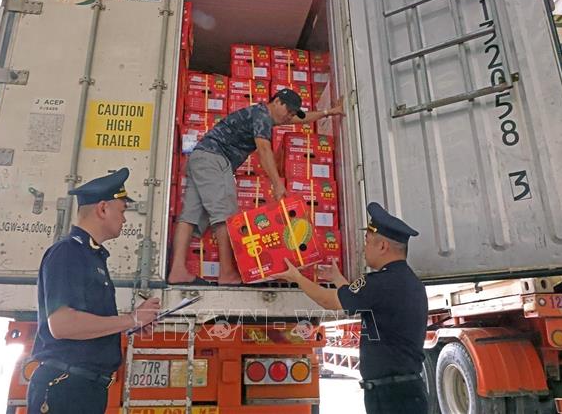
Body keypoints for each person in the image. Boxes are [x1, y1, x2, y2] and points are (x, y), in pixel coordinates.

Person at [168, 88, 344, 285]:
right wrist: (278, 184)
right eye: (289, 111)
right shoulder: (262, 115)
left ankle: (177, 271)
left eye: (293, 113)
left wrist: (329, 112)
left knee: (190, 216)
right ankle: (227, 273)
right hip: (215, 160)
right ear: (277, 102)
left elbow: (299, 120)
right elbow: (263, 149)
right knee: (226, 216)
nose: (290, 117)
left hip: (201, 157)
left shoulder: (265, 115)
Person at [27, 168, 161, 414]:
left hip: (84, 388)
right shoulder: (68, 252)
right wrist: (130, 319)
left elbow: (88, 323)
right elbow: (62, 325)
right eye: (121, 211)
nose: (125, 219)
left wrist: (130, 324)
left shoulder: (92, 257)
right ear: (102, 209)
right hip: (66, 389)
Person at [274, 202, 428, 414]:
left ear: (382, 246)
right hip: (404, 391)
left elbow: (330, 301)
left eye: (367, 242)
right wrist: (338, 279)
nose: (363, 248)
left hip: (392, 396)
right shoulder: (407, 281)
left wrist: (297, 278)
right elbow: (354, 299)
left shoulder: (381, 283)